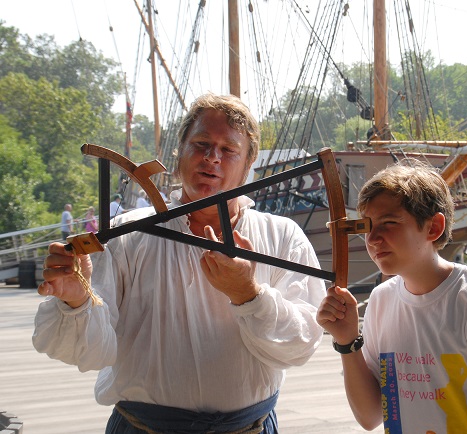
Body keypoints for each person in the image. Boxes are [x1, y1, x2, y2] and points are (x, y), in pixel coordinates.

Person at [33, 93, 326, 433]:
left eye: (228, 150)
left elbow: (300, 346)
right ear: (179, 155)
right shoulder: (127, 236)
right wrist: (76, 300)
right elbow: (88, 353)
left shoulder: (282, 237)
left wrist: (249, 295)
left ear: (248, 166)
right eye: (201, 144)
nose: (212, 158)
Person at [317, 159, 467, 433]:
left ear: (433, 227)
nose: (373, 238)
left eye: (389, 223)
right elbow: (371, 416)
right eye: (368, 226)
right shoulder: (380, 300)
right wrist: (347, 341)